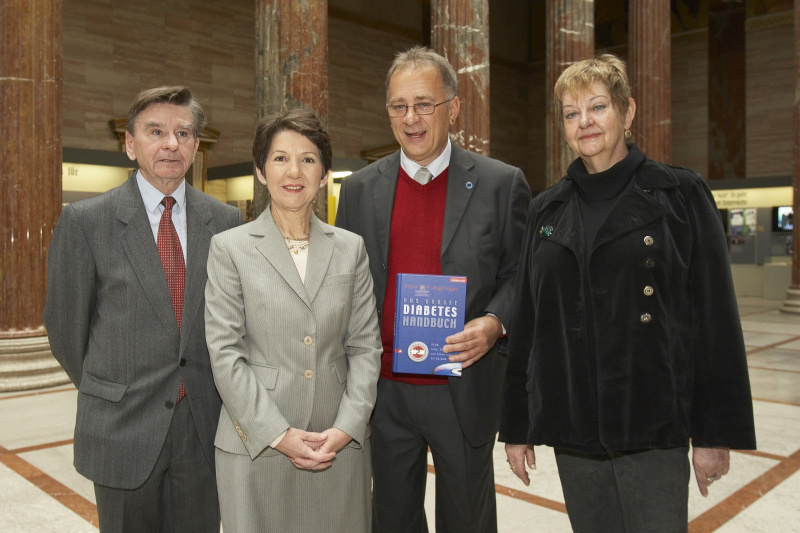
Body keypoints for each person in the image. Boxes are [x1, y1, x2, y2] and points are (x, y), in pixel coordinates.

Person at [501, 54, 756, 533]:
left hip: (653, 425)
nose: (585, 122)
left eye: (597, 107)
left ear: (628, 112)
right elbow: (530, 323)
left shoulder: (680, 195)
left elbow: (714, 319)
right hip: (575, 428)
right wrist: (517, 427)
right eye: (572, 113)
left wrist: (713, 433)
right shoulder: (546, 209)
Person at [336, 46, 531, 532]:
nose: (411, 118)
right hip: (384, 391)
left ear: (454, 108)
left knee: (467, 519)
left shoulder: (500, 184)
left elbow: (521, 276)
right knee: (392, 519)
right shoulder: (360, 189)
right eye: (399, 106)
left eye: (424, 103)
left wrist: (493, 323)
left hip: (463, 386)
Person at [44, 86, 241, 532]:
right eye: (156, 131)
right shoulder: (87, 221)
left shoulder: (225, 222)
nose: (171, 143)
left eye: (183, 132)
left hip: (202, 428)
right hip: (122, 428)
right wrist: (113, 387)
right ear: (130, 144)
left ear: (194, 145)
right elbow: (65, 331)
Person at [204, 108, 382, 533]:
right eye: (280, 158)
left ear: (324, 174)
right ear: (262, 171)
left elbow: (364, 347)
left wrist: (346, 427)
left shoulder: (350, 248)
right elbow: (225, 353)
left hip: (336, 445)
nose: (294, 170)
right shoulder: (230, 248)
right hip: (257, 442)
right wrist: (279, 434)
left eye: (308, 158)